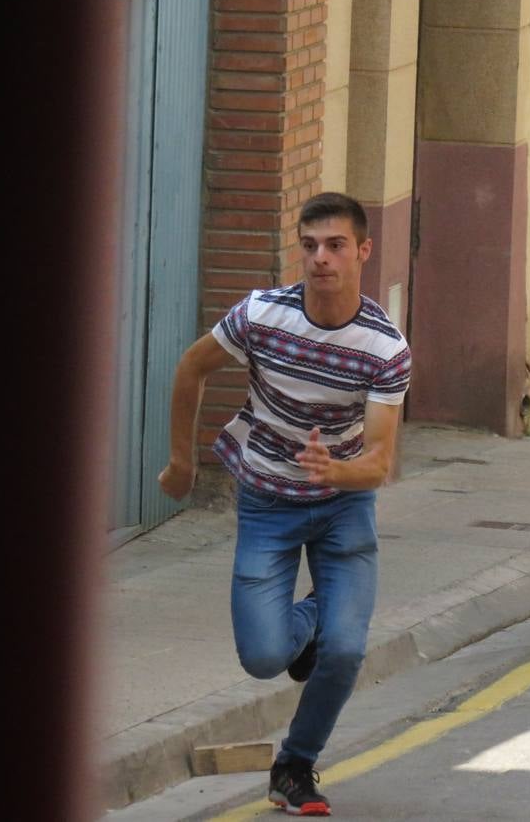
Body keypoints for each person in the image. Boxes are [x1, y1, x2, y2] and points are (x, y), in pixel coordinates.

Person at [158, 192, 410, 816]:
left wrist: (337, 468)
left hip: (343, 505)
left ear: (363, 252)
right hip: (268, 500)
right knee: (266, 656)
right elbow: (192, 367)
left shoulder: (384, 347)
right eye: (309, 246)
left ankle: (295, 766)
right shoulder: (262, 316)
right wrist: (183, 461)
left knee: (347, 650)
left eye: (335, 246)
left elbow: (379, 464)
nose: (320, 259)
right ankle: (318, 624)